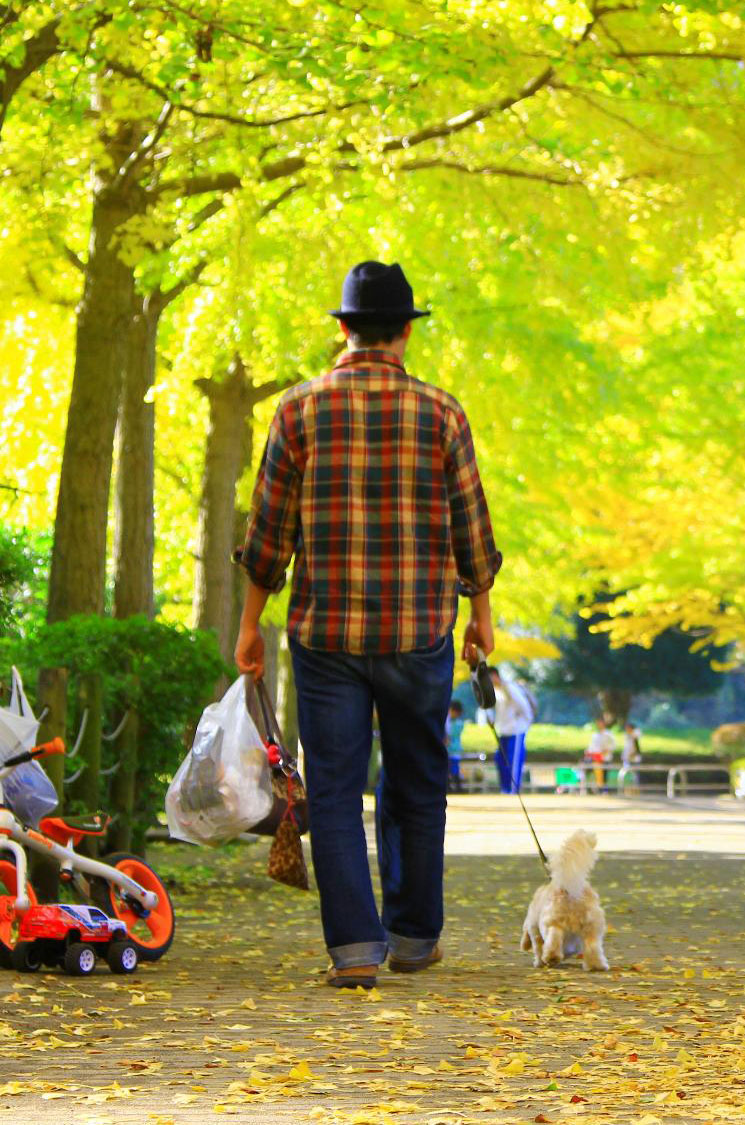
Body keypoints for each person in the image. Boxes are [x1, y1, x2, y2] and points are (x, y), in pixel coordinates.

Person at [234, 260, 502, 990]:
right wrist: (480, 618)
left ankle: (354, 946)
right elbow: (471, 533)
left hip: (327, 637)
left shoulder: (297, 410)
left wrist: (249, 622)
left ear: (345, 328)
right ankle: (414, 936)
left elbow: (268, 534)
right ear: (407, 332)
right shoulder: (443, 414)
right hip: (420, 633)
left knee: (333, 789)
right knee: (416, 782)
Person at [488, 666, 536, 794]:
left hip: (516, 731)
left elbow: (525, 708)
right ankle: (504, 789)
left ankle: (513, 790)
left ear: (495, 676)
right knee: (500, 760)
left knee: (513, 761)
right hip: (503, 731)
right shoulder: (496, 691)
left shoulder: (510, 688)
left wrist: (522, 724)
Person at [584, 716, 614, 791]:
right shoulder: (595, 734)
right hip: (596, 758)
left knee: (604, 775)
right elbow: (592, 747)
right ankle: (596, 789)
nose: (598, 724)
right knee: (596, 774)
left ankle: (605, 790)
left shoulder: (608, 734)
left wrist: (605, 752)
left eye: (600, 723)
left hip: (605, 758)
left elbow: (612, 746)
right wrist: (588, 752)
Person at [445, 701, 468, 793]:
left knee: (454, 769)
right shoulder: (448, 720)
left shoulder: (457, 723)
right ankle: (450, 787)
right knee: (448, 770)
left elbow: (452, 735)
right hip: (449, 750)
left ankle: (455, 788)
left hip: (453, 750)